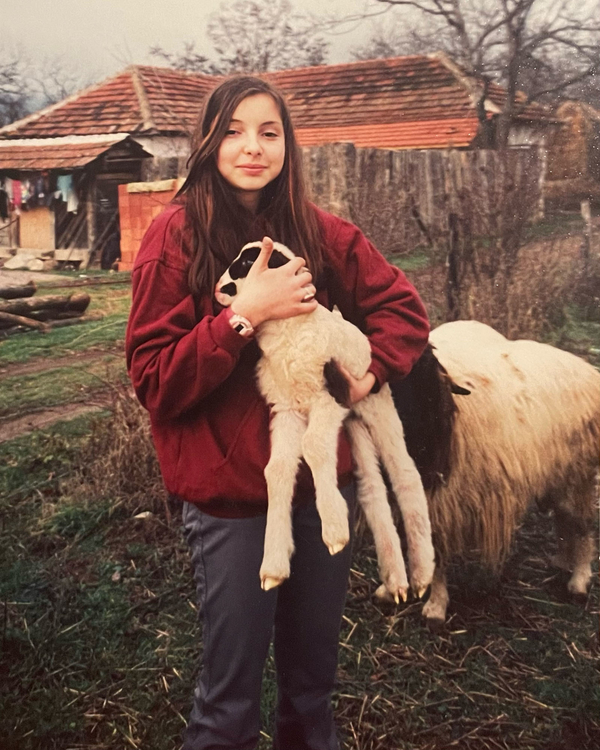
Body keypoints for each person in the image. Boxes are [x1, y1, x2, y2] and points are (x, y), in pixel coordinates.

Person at [125, 76, 429, 750]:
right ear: (208, 142)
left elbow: (402, 309)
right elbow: (154, 379)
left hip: (320, 492)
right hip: (232, 501)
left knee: (312, 694)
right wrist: (241, 317)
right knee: (229, 706)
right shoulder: (174, 236)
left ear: (288, 145)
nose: (252, 147)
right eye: (233, 131)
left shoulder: (317, 231)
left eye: (269, 132)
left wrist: (363, 377)